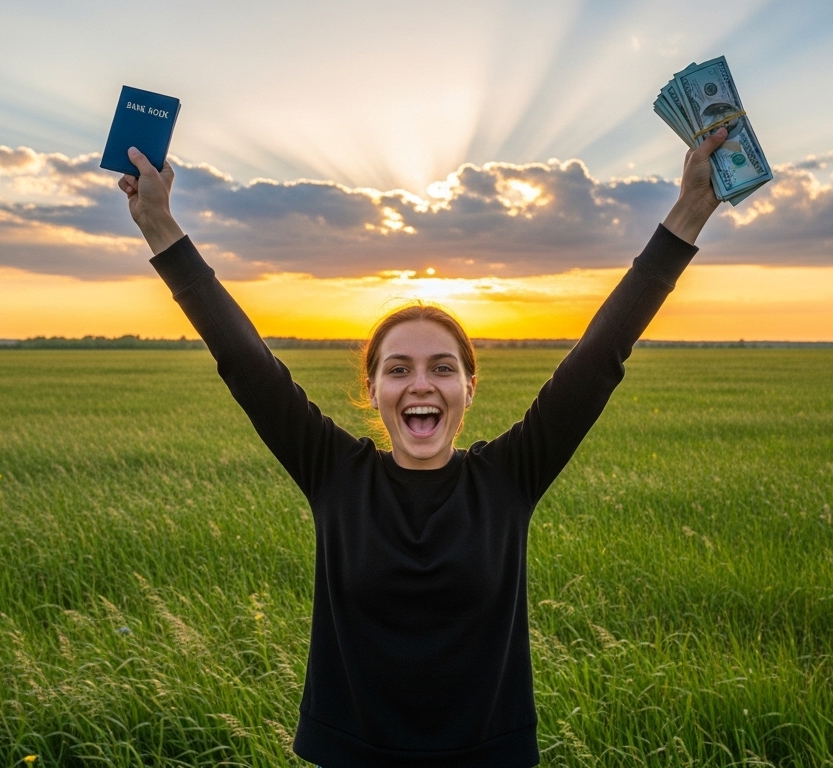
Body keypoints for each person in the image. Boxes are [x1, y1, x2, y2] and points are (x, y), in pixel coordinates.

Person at [119, 127, 730, 768]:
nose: (421, 385)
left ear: (469, 387)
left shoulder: (506, 479)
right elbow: (244, 361)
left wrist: (691, 209)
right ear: (373, 389)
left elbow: (601, 355)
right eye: (399, 369)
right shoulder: (336, 475)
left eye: (442, 368)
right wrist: (160, 226)